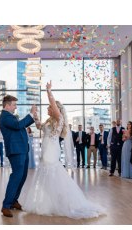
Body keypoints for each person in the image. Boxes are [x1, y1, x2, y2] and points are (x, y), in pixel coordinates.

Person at [22, 81, 103, 219]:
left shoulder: (59, 120)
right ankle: (50, 202)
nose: (48, 109)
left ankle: (59, 202)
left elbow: (53, 104)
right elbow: (39, 127)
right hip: (46, 148)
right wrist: (34, 115)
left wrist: (48, 91)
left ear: (56, 110)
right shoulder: (49, 121)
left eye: (49, 108)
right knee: (47, 177)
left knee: (50, 174)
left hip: (51, 151)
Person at [0, 95, 36, 217]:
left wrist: (32, 116)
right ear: (7, 105)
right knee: (16, 177)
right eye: (14, 105)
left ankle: (14, 200)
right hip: (16, 151)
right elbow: (18, 126)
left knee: (22, 176)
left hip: (22, 150)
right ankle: (6, 205)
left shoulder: (10, 116)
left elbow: (20, 126)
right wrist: (30, 114)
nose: (15, 107)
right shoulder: (4, 117)